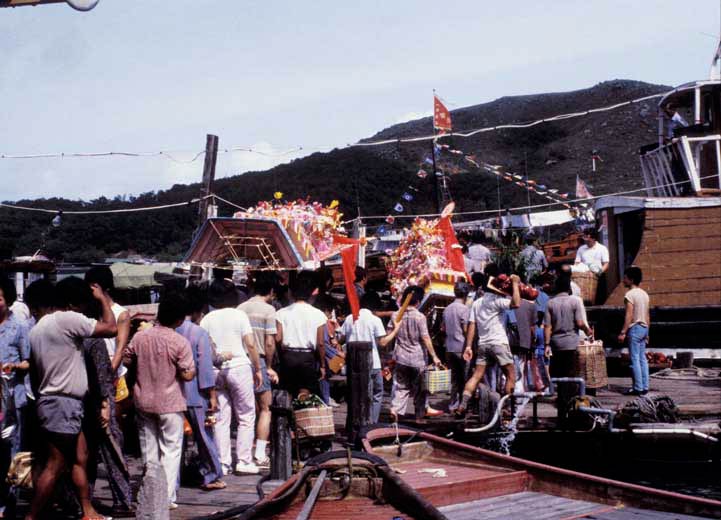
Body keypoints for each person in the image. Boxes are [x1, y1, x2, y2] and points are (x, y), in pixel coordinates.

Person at [25, 277, 117, 520]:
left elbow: (34, 375)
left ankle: (87, 511)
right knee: (56, 464)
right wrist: (103, 299)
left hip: (52, 401)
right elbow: (111, 328)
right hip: (64, 401)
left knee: (80, 457)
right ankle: (31, 516)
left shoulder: (36, 330)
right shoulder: (66, 319)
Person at [123, 292, 195, 510]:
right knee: (171, 451)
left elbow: (127, 360)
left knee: (148, 450)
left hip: (143, 400)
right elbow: (188, 374)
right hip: (170, 402)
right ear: (180, 320)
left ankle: (149, 492)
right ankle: (166, 497)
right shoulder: (179, 342)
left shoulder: (139, 337)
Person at [200, 279, 263, 476]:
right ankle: (244, 460)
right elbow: (250, 344)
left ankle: (223, 462)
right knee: (246, 416)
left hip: (216, 370)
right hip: (239, 367)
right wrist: (258, 368)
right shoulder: (239, 315)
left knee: (221, 417)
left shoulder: (207, 319)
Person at [176, 291, 225, 491]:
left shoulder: (170, 329)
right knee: (204, 437)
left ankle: (174, 480)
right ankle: (211, 475)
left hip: (173, 393)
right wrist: (212, 395)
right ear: (198, 312)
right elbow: (205, 368)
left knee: (175, 441)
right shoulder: (198, 333)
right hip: (196, 393)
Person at [82, 332, 134, 517]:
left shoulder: (68, 335)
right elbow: (102, 375)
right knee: (112, 452)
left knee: (85, 456)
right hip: (98, 401)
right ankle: (122, 501)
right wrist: (105, 403)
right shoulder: (94, 339)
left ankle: (83, 501)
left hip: (79, 401)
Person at [457, 274, 521, 415]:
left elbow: (472, 324)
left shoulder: (476, 303)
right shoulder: (497, 300)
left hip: (483, 344)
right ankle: (507, 408)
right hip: (499, 343)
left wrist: (468, 346)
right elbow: (516, 303)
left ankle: (462, 405)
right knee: (511, 375)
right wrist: (515, 283)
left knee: (476, 376)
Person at [237, 274, 279, 468]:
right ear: (271, 291)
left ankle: (243, 453)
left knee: (246, 410)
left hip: (240, 360)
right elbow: (270, 342)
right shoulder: (269, 310)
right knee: (265, 408)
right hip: (259, 360)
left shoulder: (241, 308)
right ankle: (260, 454)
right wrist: (269, 367)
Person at [340, 291, 398, 423]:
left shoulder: (350, 318)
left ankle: (357, 423)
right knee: (376, 393)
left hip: (353, 364)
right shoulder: (374, 320)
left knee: (356, 395)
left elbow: (341, 339)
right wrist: (395, 330)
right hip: (373, 363)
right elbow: (382, 342)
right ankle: (372, 422)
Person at [388, 286, 442, 422]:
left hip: (400, 357)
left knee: (400, 386)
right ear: (418, 302)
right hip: (417, 359)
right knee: (420, 389)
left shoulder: (396, 315)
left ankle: (395, 410)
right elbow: (425, 338)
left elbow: (389, 335)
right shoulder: (420, 317)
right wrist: (434, 357)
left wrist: (390, 355)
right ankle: (419, 416)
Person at [0, 275, 30, 517]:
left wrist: (14, 367)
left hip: (13, 398)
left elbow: (29, 361)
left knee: (13, 451)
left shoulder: (20, 326)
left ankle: (9, 505)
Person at [275, 272, 327, 399]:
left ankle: (288, 417)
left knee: (287, 392)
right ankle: (302, 417)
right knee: (305, 393)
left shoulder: (281, 313)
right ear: (311, 294)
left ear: (292, 293)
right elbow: (320, 343)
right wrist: (322, 365)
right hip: (307, 358)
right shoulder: (318, 314)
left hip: (288, 357)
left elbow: (278, 338)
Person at [544, 275, 592, 378]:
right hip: (572, 342)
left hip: (556, 343)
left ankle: (561, 393)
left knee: (559, 373)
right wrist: (587, 331)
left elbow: (547, 326)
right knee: (571, 372)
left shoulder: (550, 303)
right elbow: (579, 323)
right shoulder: (575, 301)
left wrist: (547, 344)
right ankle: (571, 393)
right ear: (569, 288)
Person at [618, 267, 650, 396]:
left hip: (635, 328)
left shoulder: (629, 295)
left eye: (625, 277)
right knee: (642, 358)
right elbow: (647, 315)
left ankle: (637, 387)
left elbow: (629, 315)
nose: (623, 280)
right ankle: (645, 386)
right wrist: (648, 333)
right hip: (644, 327)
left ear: (631, 280)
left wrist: (623, 332)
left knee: (634, 358)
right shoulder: (644, 294)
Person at [441, 282, 471, 411]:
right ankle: (464, 405)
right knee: (465, 378)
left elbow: (443, 328)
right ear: (466, 294)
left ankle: (452, 404)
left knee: (453, 379)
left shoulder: (447, 308)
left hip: (449, 347)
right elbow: (466, 329)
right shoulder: (464, 309)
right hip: (462, 348)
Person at [314, 295, 342, 408]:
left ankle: (326, 398)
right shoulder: (322, 321)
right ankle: (325, 400)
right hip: (321, 357)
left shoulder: (326, 322)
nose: (331, 314)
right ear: (325, 310)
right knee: (324, 376)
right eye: (330, 311)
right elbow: (323, 343)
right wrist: (338, 354)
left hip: (322, 355)